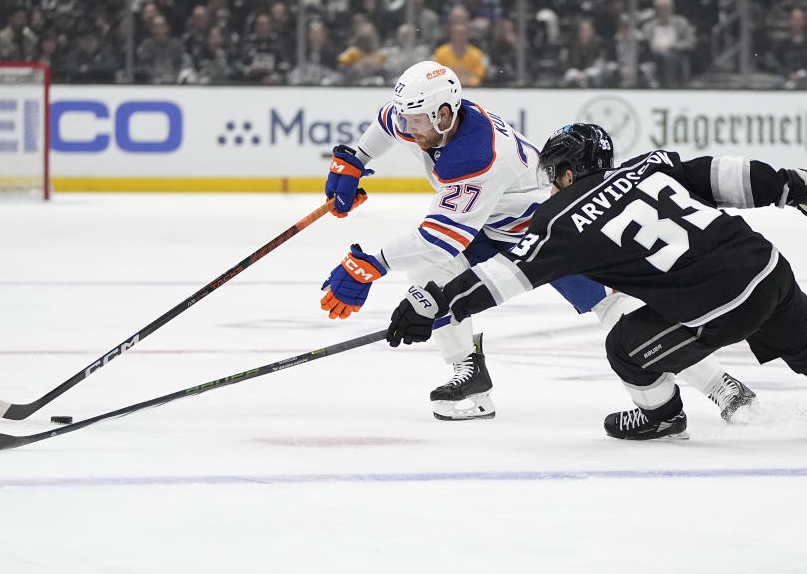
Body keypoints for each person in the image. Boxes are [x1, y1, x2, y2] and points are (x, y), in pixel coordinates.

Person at [387, 123, 807, 441]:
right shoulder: (651, 165)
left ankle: (663, 416)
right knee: (805, 339)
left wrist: (436, 303)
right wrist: (790, 184)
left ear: (564, 172)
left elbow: (506, 276)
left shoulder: (562, 219)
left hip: (712, 304)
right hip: (765, 266)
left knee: (626, 346)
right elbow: (722, 175)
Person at [320, 61, 756, 422]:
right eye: (408, 118)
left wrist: (369, 264)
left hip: (549, 229)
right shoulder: (423, 117)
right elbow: (385, 121)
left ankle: (722, 386)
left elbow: (441, 239)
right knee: (428, 279)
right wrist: (354, 160)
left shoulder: (475, 154)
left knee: (616, 310)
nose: (408, 128)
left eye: (418, 121)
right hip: (488, 224)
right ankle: (468, 376)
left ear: (445, 114)